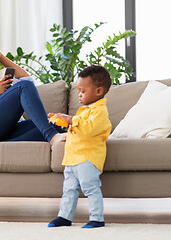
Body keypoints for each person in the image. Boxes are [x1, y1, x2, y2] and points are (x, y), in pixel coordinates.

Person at [47, 65, 112, 229]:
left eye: (82, 91)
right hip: (73, 158)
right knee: (68, 189)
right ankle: (64, 216)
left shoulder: (99, 112)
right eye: (78, 91)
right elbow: (78, 129)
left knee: (91, 188)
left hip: (87, 159)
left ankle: (97, 218)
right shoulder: (84, 111)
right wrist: (61, 122)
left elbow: (89, 129)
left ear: (98, 91)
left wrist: (70, 120)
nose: (79, 95)